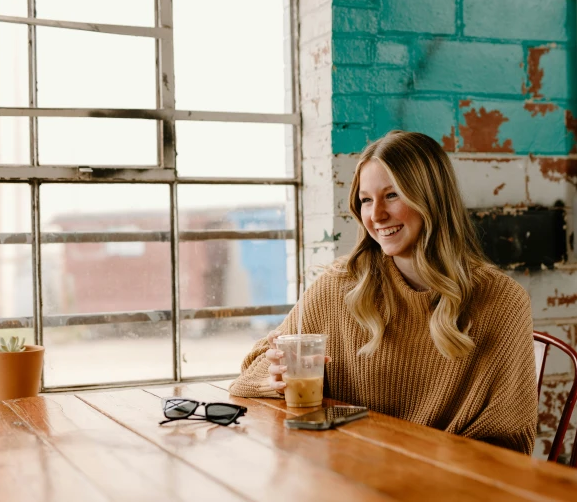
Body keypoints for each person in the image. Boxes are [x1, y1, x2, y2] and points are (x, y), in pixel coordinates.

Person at [229, 130, 538, 454]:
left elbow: (509, 445)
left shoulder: (503, 301)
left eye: (392, 195)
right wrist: (274, 379)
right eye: (366, 200)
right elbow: (246, 379)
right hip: (351, 479)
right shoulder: (338, 286)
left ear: (431, 198)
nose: (376, 216)